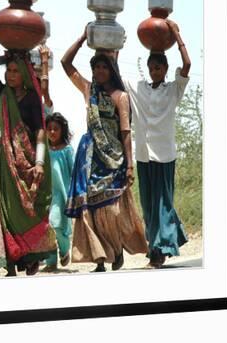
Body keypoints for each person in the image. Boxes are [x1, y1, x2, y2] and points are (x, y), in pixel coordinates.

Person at [61, 27, 148, 272]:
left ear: (111, 70)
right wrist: (81, 38)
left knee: (111, 209)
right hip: (90, 158)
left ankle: (116, 249)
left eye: (104, 67)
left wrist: (130, 165)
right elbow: (66, 63)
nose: (99, 71)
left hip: (114, 158)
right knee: (90, 208)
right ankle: (99, 257)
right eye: (96, 67)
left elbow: (125, 132)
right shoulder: (89, 90)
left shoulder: (121, 97)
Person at [0, 51, 57, 277]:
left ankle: (31, 257)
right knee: (7, 212)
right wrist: (9, 55)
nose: (10, 76)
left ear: (24, 74)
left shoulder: (31, 98)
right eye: (8, 71)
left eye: (15, 71)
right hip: (5, 161)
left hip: (29, 161)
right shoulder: (3, 93)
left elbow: (40, 129)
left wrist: (39, 162)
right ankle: (10, 263)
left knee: (29, 211)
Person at [120, 19, 190, 269]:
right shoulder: (139, 89)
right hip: (143, 156)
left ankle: (158, 253)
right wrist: (117, 44)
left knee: (163, 204)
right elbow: (117, 74)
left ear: (165, 69)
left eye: (159, 68)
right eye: (152, 67)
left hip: (165, 155)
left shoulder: (173, 90)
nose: (155, 71)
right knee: (149, 206)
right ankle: (163, 244)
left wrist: (176, 34)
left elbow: (188, 64)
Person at [42, 112, 75, 272]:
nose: (52, 132)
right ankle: (51, 262)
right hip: (47, 195)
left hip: (63, 194)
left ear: (62, 130)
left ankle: (64, 249)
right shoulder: (44, 151)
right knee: (48, 226)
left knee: (58, 226)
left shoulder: (67, 150)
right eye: (49, 129)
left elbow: (74, 171)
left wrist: (75, 194)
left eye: (56, 129)